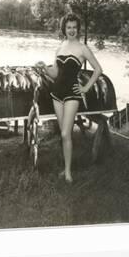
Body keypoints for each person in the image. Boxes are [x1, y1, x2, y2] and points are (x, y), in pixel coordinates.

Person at [46, 13, 103, 183]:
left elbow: (98, 69)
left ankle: (68, 172)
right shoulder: (59, 48)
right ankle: (65, 169)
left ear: (78, 29)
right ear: (64, 29)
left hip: (72, 94)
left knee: (65, 133)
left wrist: (85, 87)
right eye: (68, 27)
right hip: (57, 94)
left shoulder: (82, 48)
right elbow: (55, 74)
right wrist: (44, 68)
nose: (71, 30)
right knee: (64, 135)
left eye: (74, 27)